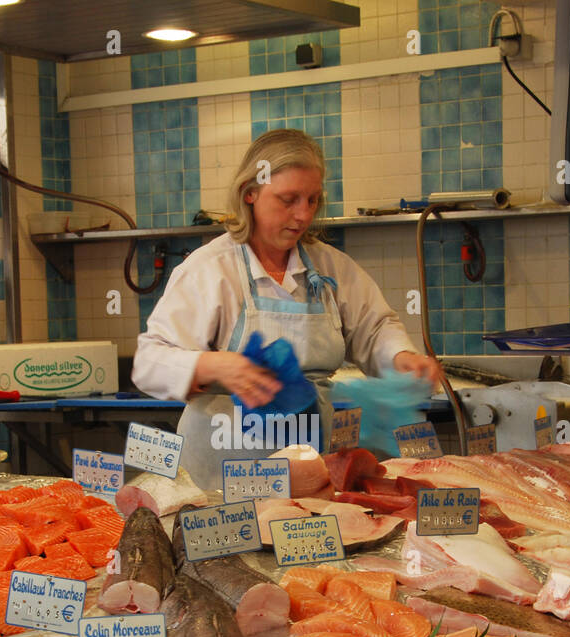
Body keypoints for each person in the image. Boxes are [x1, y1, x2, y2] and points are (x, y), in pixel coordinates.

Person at [132, 129, 440, 489]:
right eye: (288, 199)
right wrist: (212, 365)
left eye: (312, 200)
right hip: (221, 476)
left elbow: (374, 329)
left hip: (309, 470)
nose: (303, 215)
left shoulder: (330, 266)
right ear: (250, 193)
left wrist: (400, 356)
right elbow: (149, 362)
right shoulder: (211, 269)